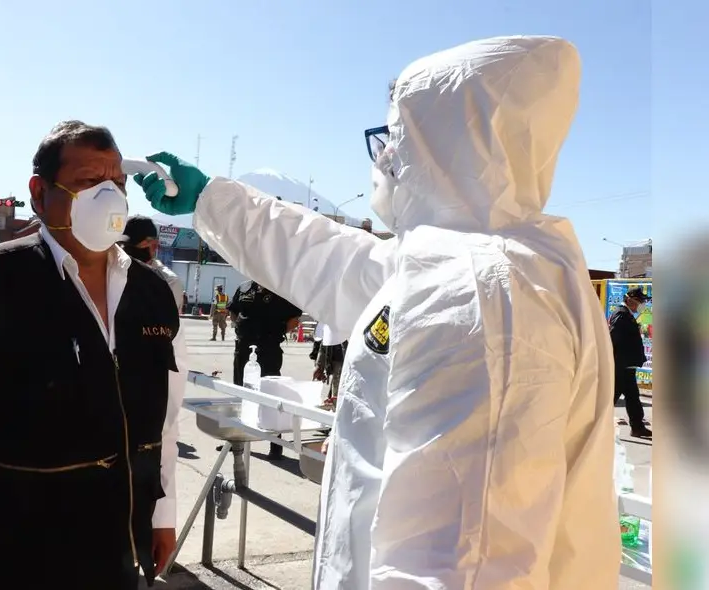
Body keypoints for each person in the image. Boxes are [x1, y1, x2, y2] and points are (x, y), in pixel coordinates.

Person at [132, 36, 619, 589]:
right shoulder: (459, 267)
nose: (383, 156)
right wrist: (211, 199)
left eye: (396, 137)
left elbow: (460, 566)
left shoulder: (479, 299)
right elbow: (328, 259)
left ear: (443, 145)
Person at [0, 120, 186, 590]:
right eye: (90, 182)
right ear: (40, 192)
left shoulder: (153, 293)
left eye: (117, 184)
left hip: (119, 551)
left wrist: (163, 513)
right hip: (14, 553)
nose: (109, 197)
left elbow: (165, 422)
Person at [228, 281, 302, 460]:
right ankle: (236, 441)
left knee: (271, 396)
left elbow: (294, 318)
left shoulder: (281, 289)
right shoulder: (244, 288)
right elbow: (233, 311)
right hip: (244, 348)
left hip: (269, 350)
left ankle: (275, 446)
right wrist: (240, 326)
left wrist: (277, 332)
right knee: (239, 393)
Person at [609, 287, 653, 438]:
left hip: (626, 365)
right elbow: (613, 338)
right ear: (629, 300)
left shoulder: (627, 314)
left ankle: (637, 426)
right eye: (640, 301)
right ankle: (594, 425)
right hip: (621, 365)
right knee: (611, 397)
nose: (642, 305)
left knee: (632, 396)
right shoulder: (621, 315)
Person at [120, 215, 185, 311]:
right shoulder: (115, 271)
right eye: (123, 246)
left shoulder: (168, 282)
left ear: (154, 245)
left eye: (133, 245)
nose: (124, 250)